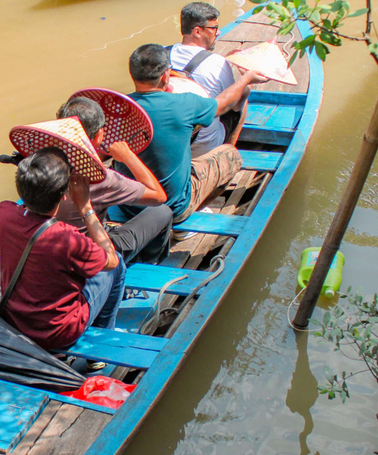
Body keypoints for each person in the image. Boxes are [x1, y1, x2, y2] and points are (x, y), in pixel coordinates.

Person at [0, 147, 125, 352]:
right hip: (58, 333)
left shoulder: (2, 213)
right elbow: (111, 260)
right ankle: (100, 348)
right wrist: (85, 208)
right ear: (64, 196)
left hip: (14, 321)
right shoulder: (67, 238)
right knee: (118, 264)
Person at [118, 44, 263, 224]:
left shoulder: (118, 107)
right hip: (174, 209)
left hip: (127, 205)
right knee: (230, 155)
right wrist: (246, 79)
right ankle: (188, 221)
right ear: (165, 75)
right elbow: (223, 104)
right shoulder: (184, 103)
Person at [56, 96, 172, 264]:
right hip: (90, 251)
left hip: (56, 242)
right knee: (163, 211)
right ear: (99, 134)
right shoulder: (102, 178)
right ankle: (148, 261)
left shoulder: (45, 161)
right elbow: (159, 196)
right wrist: (129, 157)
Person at [168, 2, 253, 156]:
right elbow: (232, 105)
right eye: (214, 28)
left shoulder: (160, 53)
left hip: (166, 141)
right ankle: (226, 154)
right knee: (243, 92)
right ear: (198, 32)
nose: (218, 32)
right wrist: (245, 78)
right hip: (200, 148)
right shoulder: (218, 63)